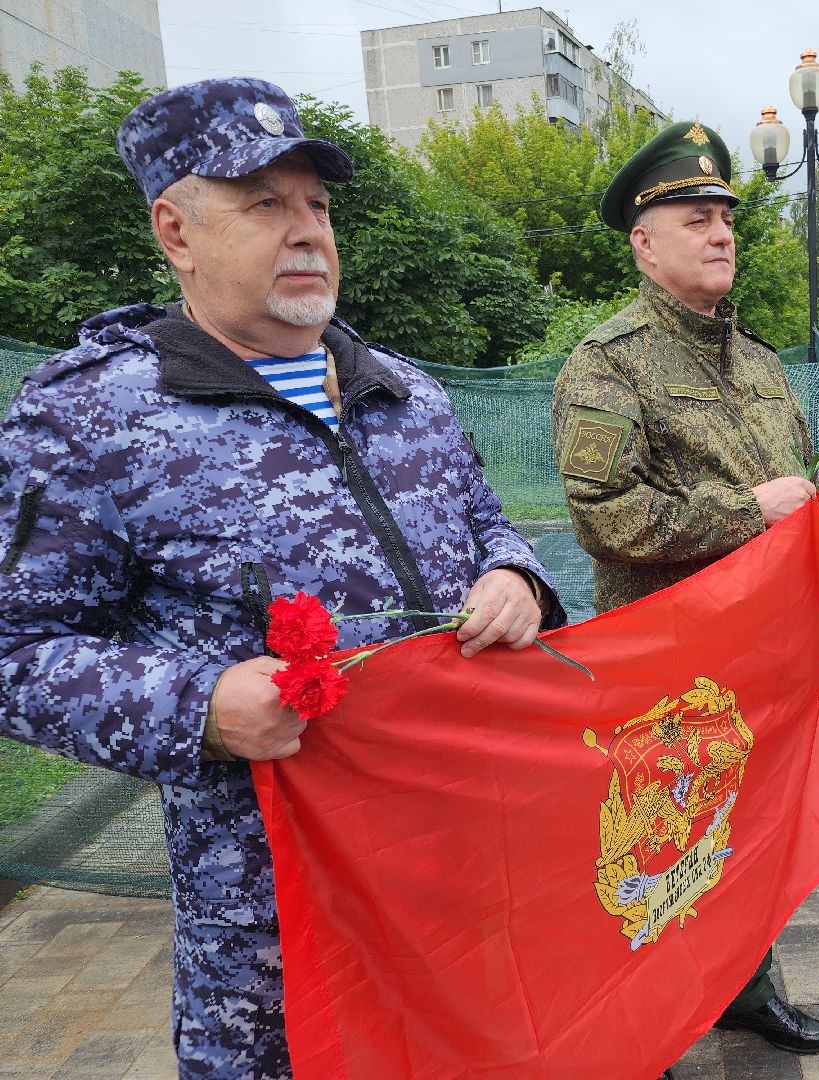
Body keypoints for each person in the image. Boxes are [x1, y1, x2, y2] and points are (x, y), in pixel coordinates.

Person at [0, 79, 564, 1078]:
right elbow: (15, 650)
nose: (306, 231)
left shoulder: (408, 391)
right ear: (175, 230)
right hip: (271, 933)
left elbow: (488, 523)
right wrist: (200, 706)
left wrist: (516, 576)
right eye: (264, 203)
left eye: (317, 205)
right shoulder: (88, 422)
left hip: (463, 871)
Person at [550, 121, 819, 1057]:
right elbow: (606, 516)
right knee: (659, 847)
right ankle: (651, 1025)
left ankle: (742, 989)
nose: (720, 232)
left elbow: (807, 514)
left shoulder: (759, 363)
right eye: (694, 217)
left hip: (764, 655)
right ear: (644, 242)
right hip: (665, 663)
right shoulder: (606, 364)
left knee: (749, 833)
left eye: (725, 215)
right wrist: (743, 509)